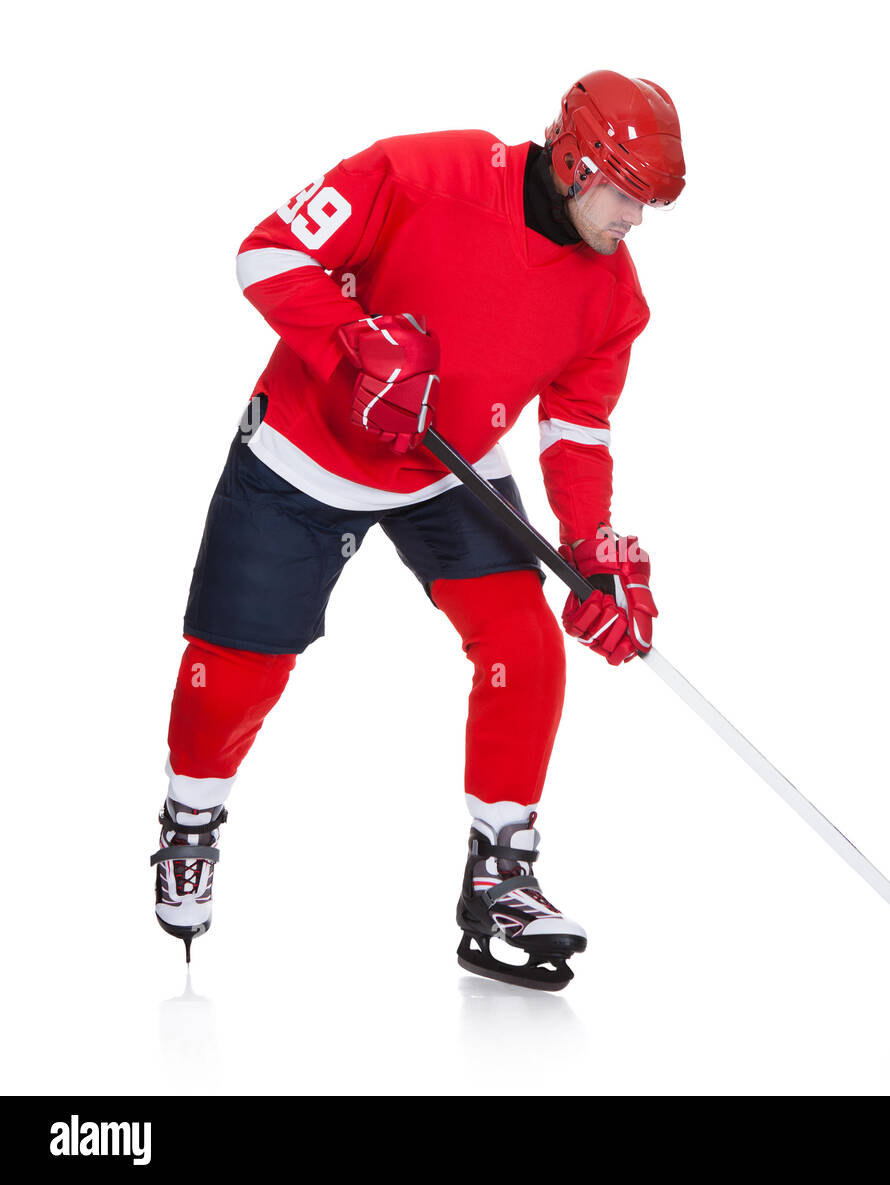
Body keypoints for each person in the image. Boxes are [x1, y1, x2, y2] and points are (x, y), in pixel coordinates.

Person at [150, 70, 686, 990]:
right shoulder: (421, 173)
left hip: (452, 463)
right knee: (238, 669)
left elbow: (577, 427)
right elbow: (267, 254)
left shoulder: (613, 297)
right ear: (575, 161)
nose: (634, 221)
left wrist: (592, 544)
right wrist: (356, 344)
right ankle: (191, 817)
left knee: (525, 642)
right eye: (627, 196)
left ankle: (499, 873)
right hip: (308, 450)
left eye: (647, 204)